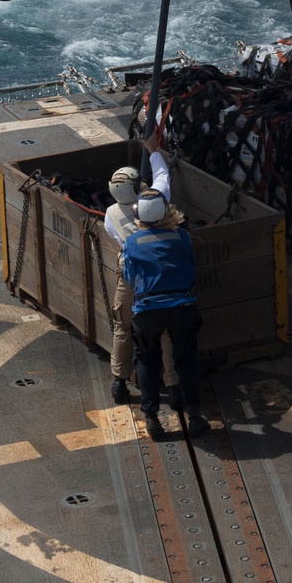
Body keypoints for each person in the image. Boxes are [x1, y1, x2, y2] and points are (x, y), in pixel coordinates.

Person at [122, 146, 211, 442]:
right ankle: (195, 416)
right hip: (183, 307)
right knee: (186, 359)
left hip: (148, 311)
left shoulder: (133, 242)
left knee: (147, 359)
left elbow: (129, 277)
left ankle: (152, 419)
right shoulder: (182, 236)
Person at [103, 138, 181, 409]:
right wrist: (152, 150)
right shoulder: (156, 202)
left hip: (129, 279)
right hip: (157, 280)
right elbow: (162, 176)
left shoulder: (110, 215)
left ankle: (118, 381)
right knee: (164, 332)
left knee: (122, 327)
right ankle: (172, 384)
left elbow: (117, 239)